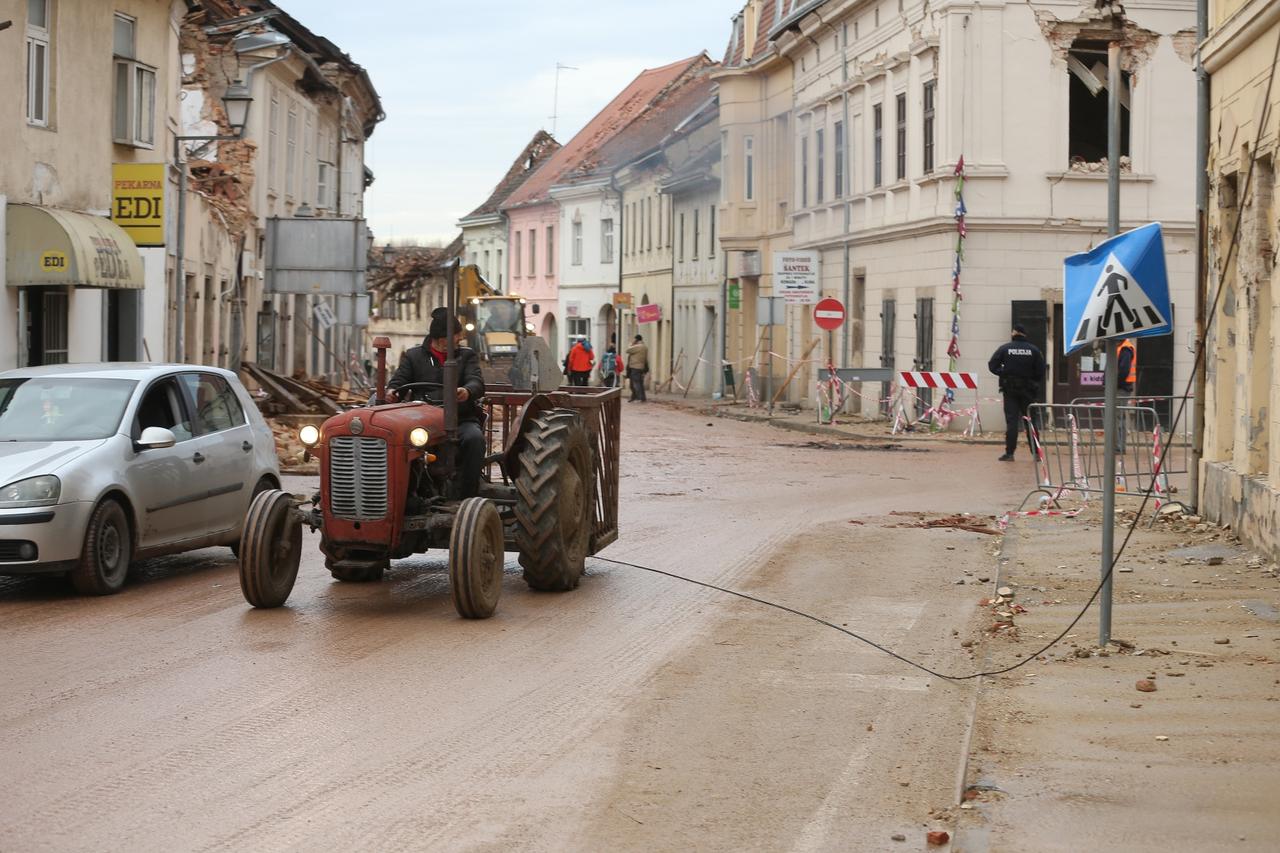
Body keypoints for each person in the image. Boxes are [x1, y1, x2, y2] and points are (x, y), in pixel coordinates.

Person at [387, 307, 486, 499]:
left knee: (475, 439)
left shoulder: (466, 356)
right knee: (397, 442)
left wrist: (467, 391)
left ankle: (467, 496)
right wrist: (392, 393)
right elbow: (398, 383)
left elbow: (476, 380)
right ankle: (404, 494)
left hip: (460, 419)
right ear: (443, 339)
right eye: (457, 336)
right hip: (421, 423)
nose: (460, 340)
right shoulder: (413, 356)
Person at [988, 324, 1046, 462]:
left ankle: (1009, 453)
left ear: (1014, 333)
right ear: (1025, 334)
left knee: (1012, 422)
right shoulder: (1034, 350)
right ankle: (1036, 453)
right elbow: (1041, 370)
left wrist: (1004, 373)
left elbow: (992, 365)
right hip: (1028, 391)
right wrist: (1032, 380)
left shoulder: (1005, 348)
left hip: (1010, 390)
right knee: (1030, 421)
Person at [625, 334, 649, 402]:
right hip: (641, 367)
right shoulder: (644, 347)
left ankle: (639, 397)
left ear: (636, 339)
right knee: (639, 383)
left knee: (635, 383)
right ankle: (638, 397)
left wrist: (631, 344)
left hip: (635, 367)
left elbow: (628, 350)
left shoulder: (638, 346)